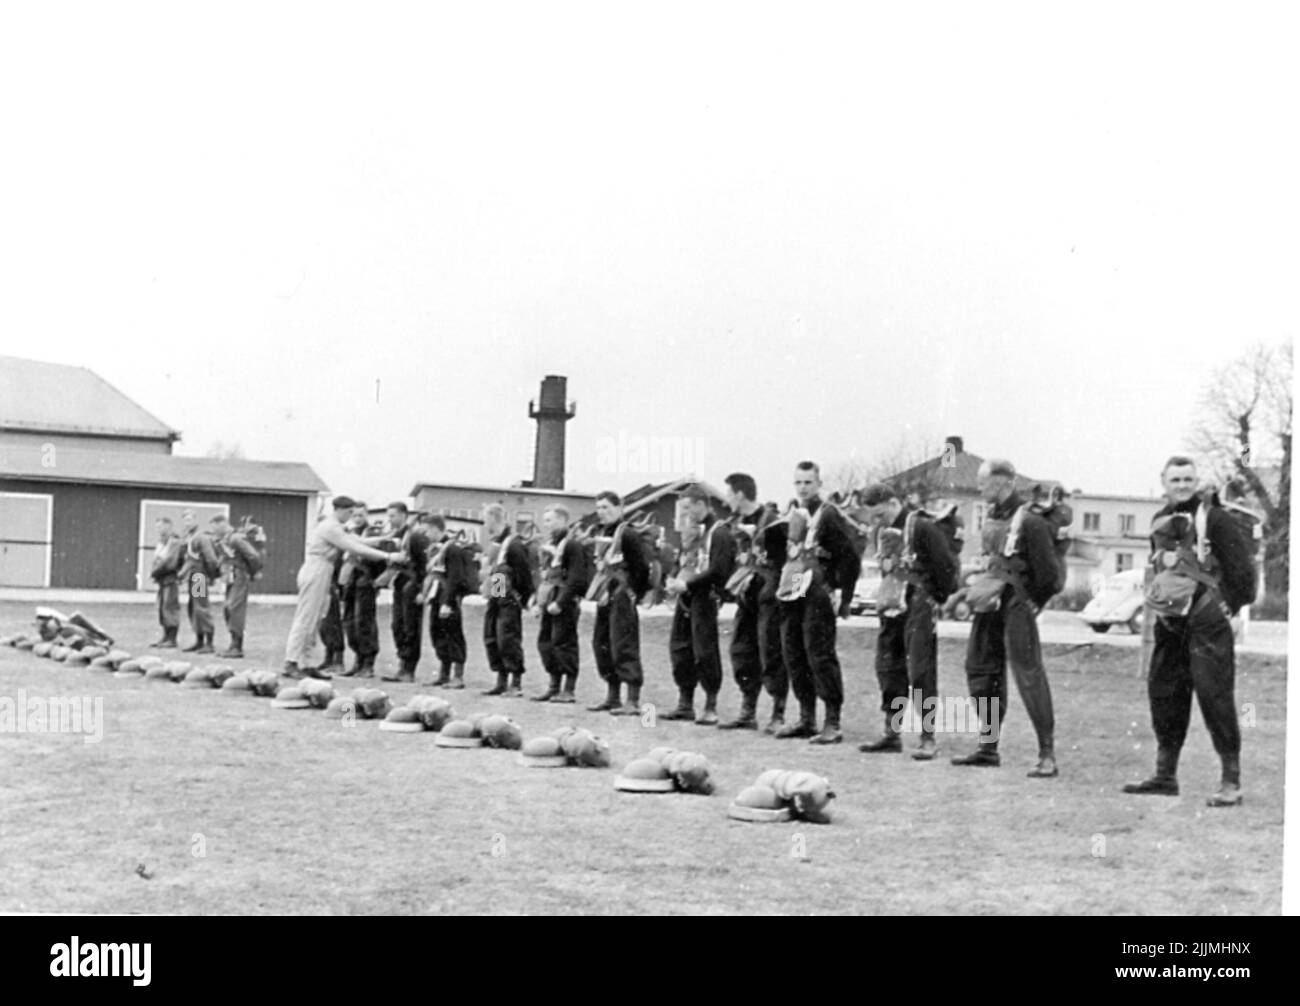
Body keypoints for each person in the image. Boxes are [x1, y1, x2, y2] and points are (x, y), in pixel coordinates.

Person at [1122, 456, 1257, 807]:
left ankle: (1231, 781)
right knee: (1164, 694)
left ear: (1196, 481)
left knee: (1215, 697)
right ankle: (1165, 775)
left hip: (1207, 619)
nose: (1182, 485)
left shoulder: (1216, 518)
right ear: (1163, 481)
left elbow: (1244, 575)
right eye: (1175, 479)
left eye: (1187, 479)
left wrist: (1225, 608)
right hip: (1171, 623)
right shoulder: (1159, 519)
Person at [947, 459, 1063, 777]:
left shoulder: (1031, 522)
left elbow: (1051, 576)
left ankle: (1047, 754)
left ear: (1003, 483)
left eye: (984, 482)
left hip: (1017, 602)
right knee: (981, 670)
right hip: (990, 601)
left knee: (1028, 675)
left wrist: (1032, 603)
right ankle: (988, 748)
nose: (980, 487)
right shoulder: (994, 517)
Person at [853, 483, 959, 759]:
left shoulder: (921, 526)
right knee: (887, 666)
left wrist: (937, 597)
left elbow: (945, 565)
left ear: (891, 503)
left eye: (879, 515)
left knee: (920, 669)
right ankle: (891, 732)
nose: (877, 522)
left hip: (918, 601)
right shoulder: (880, 531)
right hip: (891, 601)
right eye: (872, 517)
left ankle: (928, 737)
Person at [775, 461, 861, 744]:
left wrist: (843, 594)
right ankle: (805, 717)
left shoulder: (829, 514)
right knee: (793, 650)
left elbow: (850, 557)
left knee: (819, 653)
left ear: (818, 483)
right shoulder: (794, 512)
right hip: (795, 585)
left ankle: (832, 721)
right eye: (798, 482)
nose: (802, 488)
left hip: (818, 588)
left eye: (808, 483)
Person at [284, 496, 400, 680]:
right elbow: (355, 547)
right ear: (338, 509)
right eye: (348, 512)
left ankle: (304, 663)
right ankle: (291, 662)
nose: (350, 516)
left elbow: (358, 541)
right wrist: (388, 556)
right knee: (306, 617)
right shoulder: (330, 527)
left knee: (316, 618)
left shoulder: (337, 526)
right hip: (317, 568)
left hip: (324, 569)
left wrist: (384, 539)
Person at [661, 486, 736, 725]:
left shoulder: (719, 532)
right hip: (685, 596)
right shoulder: (690, 531)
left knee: (705, 651)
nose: (685, 514)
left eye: (687, 508)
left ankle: (710, 706)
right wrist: (672, 578)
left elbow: (718, 570)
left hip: (705, 597)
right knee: (680, 648)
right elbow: (682, 559)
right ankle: (685, 703)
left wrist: (689, 585)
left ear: (701, 504)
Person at [718, 473, 786, 731]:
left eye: (728, 494)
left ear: (739, 494)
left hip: (769, 596)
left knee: (771, 652)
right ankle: (748, 711)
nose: (726, 501)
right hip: (746, 597)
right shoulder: (735, 523)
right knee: (741, 652)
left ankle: (778, 713)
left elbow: (783, 563)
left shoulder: (773, 522)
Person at [586, 491, 651, 716]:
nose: (601, 512)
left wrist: (633, 592)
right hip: (604, 592)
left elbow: (642, 567)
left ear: (619, 508)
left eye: (606, 507)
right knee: (601, 643)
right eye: (599, 508)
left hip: (621, 592)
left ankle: (632, 700)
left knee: (622, 642)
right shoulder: (600, 532)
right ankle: (612, 696)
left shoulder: (628, 534)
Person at [533, 504, 590, 702]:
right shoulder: (548, 545)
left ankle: (512, 682)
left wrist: (504, 597)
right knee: (546, 644)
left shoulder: (509, 545)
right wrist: (535, 601)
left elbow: (509, 571)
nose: (545, 524)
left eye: (549, 520)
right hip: (546, 596)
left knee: (562, 642)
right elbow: (541, 575)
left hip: (560, 599)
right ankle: (553, 685)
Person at [480, 503, 534, 696]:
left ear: (494, 518)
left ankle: (515, 682)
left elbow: (523, 574)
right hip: (497, 588)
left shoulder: (513, 543)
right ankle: (501, 680)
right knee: (492, 634)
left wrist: (523, 598)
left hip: (508, 593)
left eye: (486, 519)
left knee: (507, 637)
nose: (484, 524)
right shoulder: (497, 542)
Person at [423, 516, 474, 689]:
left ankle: (458, 676)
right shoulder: (436, 549)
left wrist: (448, 602)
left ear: (436, 529)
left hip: (448, 596)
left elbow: (455, 577)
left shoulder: (452, 548)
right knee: (437, 633)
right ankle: (444, 673)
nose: (426, 534)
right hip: (437, 594)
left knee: (453, 635)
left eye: (428, 530)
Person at [337, 502, 384, 678]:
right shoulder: (348, 533)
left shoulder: (373, 533)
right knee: (349, 622)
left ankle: (368, 663)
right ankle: (357, 659)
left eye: (360, 515)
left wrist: (375, 582)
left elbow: (377, 560)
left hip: (365, 580)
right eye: (354, 515)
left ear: (367, 515)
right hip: (350, 581)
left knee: (364, 621)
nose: (357, 519)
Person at [211, 513, 264, 659]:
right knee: (227, 608)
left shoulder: (234, 539)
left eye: (215, 527)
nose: (214, 531)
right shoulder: (223, 540)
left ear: (222, 523)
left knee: (233, 607)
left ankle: (235, 645)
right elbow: (222, 559)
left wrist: (254, 572)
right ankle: (231, 643)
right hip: (227, 576)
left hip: (238, 575)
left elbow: (253, 556)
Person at [179, 509, 219, 655]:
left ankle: (209, 642)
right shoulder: (189, 538)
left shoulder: (201, 537)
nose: (187, 523)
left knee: (201, 609)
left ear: (196, 520)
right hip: (193, 576)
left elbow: (211, 559)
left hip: (199, 577)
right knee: (193, 609)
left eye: (189, 519)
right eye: (185, 520)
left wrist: (212, 576)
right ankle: (199, 640)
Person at [148, 516, 183, 648]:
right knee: (163, 607)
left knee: (171, 607)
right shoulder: (162, 542)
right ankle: (166, 635)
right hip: (164, 579)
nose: (158, 530)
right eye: (157, 527)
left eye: (161, 526)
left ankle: (173, 638)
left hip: (196, 577)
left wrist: (155, 571)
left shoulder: (174, 542)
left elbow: (170, 562)